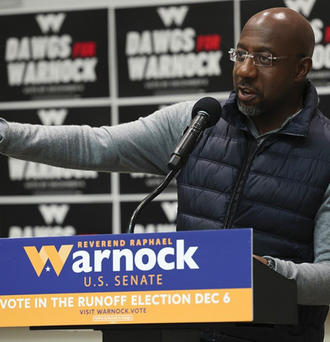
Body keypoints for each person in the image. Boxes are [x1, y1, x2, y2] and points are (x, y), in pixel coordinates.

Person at [0, 6, 329, 342]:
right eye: (240, 53)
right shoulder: (199, 122)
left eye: (265, 59)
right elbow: (98, 144)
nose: (245, 69)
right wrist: (5, 135)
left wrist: (266, 273)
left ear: (301, 68)